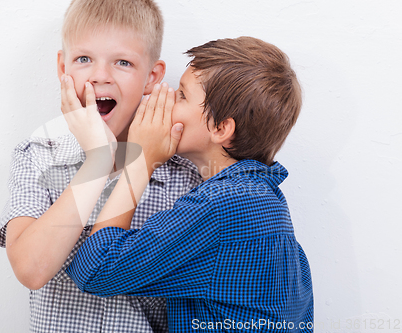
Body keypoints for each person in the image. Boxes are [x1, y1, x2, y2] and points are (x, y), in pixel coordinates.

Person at [66, 37, 314, 332]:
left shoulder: (223, 205)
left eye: (182, 95)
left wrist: (141, 161)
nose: (166, 97)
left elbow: (95, 269)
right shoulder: (264, 198)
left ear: (221, 128)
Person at [0, 0, 202, 332]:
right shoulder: (38, 155)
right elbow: (31, 270)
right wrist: (98, 161)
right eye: (83, 59)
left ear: (152, 77)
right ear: (63, 68)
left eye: (123, 62)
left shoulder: (185, 174)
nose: (100, 75)